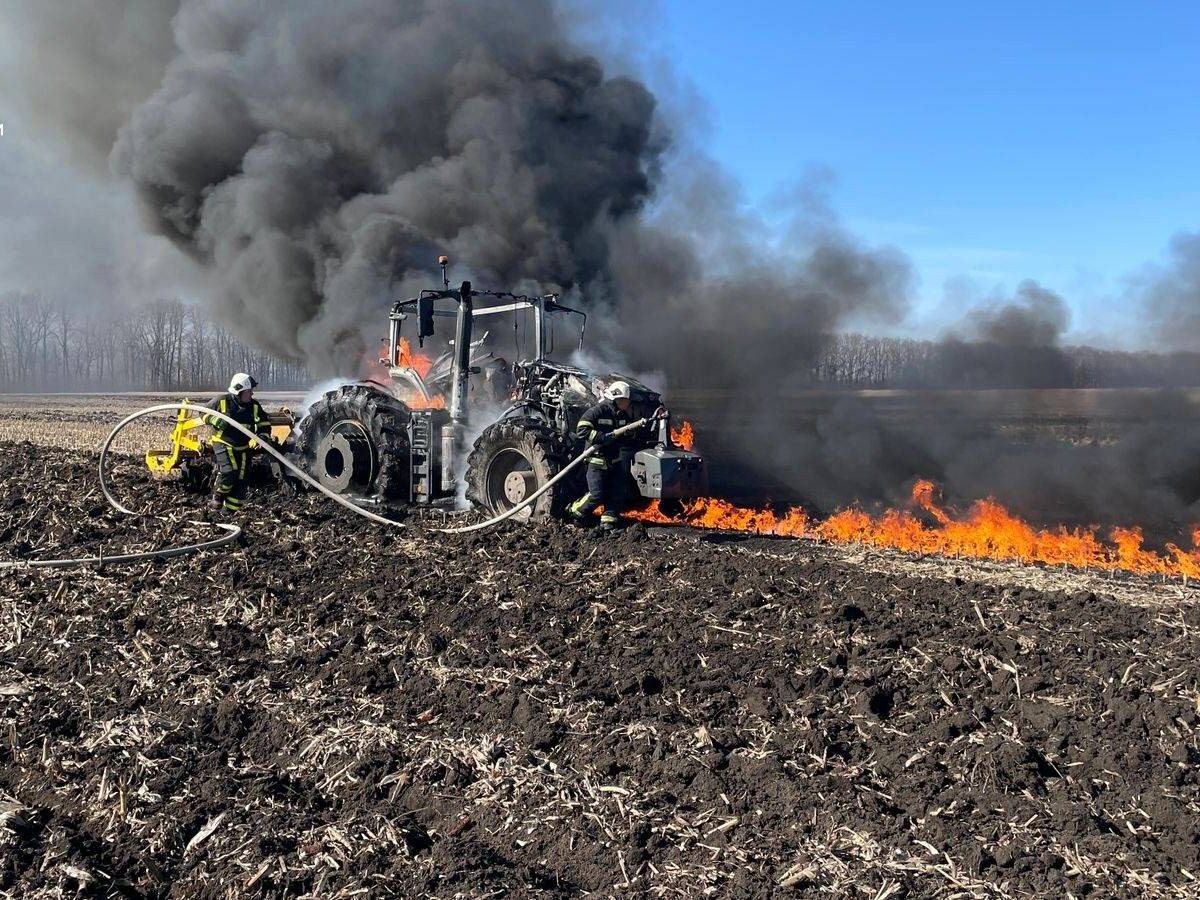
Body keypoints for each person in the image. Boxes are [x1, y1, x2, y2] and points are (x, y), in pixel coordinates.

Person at [569, 381, 639, 531]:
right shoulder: (598, 411)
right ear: (616, 399)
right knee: (597, 494)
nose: (627, 403)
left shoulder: (623, 415)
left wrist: (629, 434)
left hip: (614, 460)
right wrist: (601, 437)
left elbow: (624, 436)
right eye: (625, 400)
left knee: (616, 493)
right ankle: (576, 511)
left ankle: (608, 523)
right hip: (596, 460)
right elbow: (581, 429)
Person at [203, 373, 272, 513]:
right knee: (229, 471)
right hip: (223, 442)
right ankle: (218, 497)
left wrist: (263, 437)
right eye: (249, 391)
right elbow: (202, 413)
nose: (252, 393)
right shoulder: (221, 401)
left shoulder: (254, 406)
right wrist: (215, 420)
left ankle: (228, 512)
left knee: (242, 480)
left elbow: (264, 423)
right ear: (239, 391)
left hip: (244, 446)